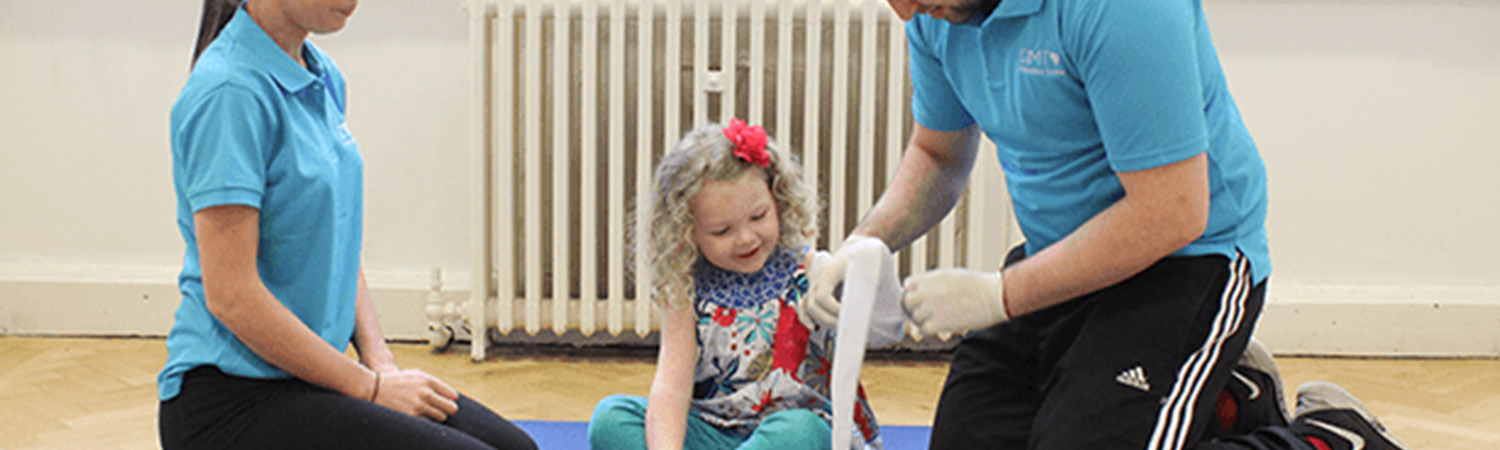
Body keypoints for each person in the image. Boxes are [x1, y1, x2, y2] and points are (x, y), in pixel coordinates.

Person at [797, 1, 1408, 450]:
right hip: (1061, 259)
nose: (905, 13)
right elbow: (937, 153)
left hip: (1191, 260)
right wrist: (867, 241)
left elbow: (1171, 212)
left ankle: (1334, 437)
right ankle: (1223, 403)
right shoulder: (936, 15)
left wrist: (998, 295)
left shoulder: (1122, 8)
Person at [157, 1, 537, 449]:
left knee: (517, 448)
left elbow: (333, 244)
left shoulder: (321, 75)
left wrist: (379, 362)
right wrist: (368, 390)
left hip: (309, 377)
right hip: (229, 401)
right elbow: (232, 297)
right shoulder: (229, 91)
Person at [588, 120, 883, 450]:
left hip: (798, 435)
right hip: (716, 429)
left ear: (779, 202)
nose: (746, 238)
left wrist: (855, 272)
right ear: (687, 233)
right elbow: (672, 385)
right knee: (612, 418)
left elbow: (878, 319)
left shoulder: (812, 269)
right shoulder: (685, 288)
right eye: (721, 231)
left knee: (797, 430)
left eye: (758, 217)